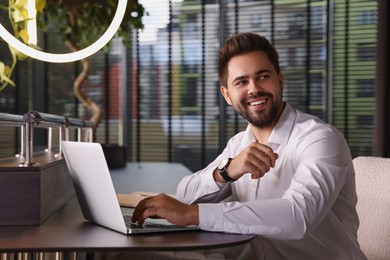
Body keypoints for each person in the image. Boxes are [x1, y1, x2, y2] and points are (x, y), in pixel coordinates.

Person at [128, 32, 367, 259]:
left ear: (280, 79)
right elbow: (184, 195)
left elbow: (298, 217)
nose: (254, 88)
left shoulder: (320, 139)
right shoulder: (240, 144)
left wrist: (193, 215)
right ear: (227, 95)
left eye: (263, 76)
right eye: (241, 82)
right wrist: (226, 171)